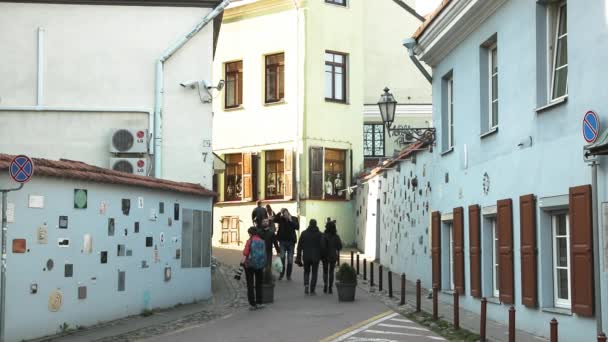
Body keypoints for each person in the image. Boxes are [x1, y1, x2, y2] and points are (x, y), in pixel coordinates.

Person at [241, 227, 266, 310]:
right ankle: (259, 302)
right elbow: (264, 254)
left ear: (250, 233)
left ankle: (252, 304)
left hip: (249, 265)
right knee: (259, 284)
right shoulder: (262, 241)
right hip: (259, 265)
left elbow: (245, 252)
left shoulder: (250, 241)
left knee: (250, 284)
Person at [296, 219, 322, 295]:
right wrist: (322, 256)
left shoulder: (304, 233)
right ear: (316, 224)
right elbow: (322, 246)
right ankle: (312, 289)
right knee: (314, 273)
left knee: (306, 272)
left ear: (309, 224)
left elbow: (299, 246)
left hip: (306, 256)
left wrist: (298, 257)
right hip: (316, 257)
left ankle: (306, 285)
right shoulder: (320, 234)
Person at [275, 208, 299, 280]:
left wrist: (290, 221)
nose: (285, 215)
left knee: (290, 259)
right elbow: (275, 219)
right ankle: (281, 274)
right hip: (282, 241)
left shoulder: (294, 218)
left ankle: (288, 275)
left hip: (291, 242)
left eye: (286, 213)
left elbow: (297, 227)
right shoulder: (281, 219)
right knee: (282, 258)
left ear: (288, 213)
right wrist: (279, 212)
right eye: (283, 213)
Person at [321, 220, 342, 294]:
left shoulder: (323, 235)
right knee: (331, 271)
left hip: (324, 255)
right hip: (333, 255)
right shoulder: (336, 236)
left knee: (325, 271)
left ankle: (325, 285)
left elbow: (322, 246)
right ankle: (330, 287)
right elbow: (340, 247)